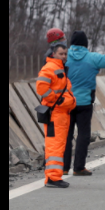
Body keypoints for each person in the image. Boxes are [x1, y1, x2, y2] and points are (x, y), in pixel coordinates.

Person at [64, 29, 105, 176]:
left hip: (66, 102)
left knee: (66, 135)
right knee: (83, 135)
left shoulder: (64, 57)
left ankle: (64, 167)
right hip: (84, 103)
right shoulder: (92, 58)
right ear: (86, 44)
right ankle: (79, 167)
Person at [36, 28, 77, 188]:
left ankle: (54, 176)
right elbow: (41, 87)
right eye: (61, 54)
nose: (64, 56)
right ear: (54, 53)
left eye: (65, 54)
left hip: (61, 114)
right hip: (56, 114)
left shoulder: (58, 67)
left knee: (58, 145)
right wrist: (56, 101)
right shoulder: (50, 67)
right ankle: (53, 178)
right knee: (55, 146)